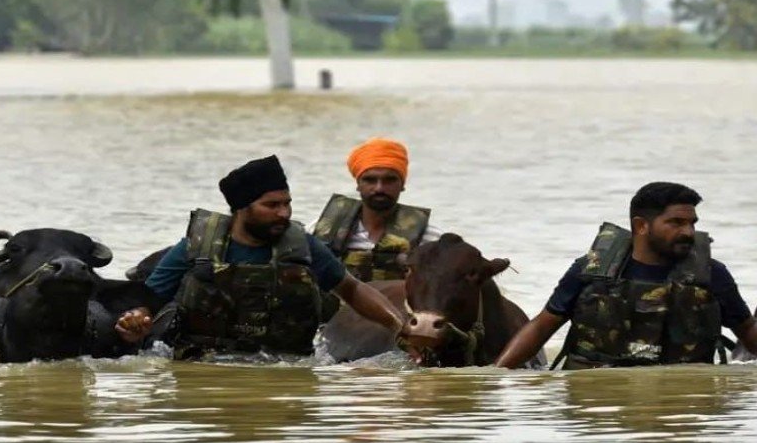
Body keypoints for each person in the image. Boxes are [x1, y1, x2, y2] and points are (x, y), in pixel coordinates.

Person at [114, 155, 405, 357]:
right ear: (242, 208)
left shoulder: (302, 245)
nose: (284, 213)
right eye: (272, 205)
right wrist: (136, 320)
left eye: (287, 203)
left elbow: (352, 289)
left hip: (287, 362)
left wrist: (398, 326)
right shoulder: (197, 245)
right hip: (204, 363)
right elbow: (147, 298)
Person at [495, 181, 757, 369]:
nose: (688, 232)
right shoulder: (591, 270)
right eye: (676, 223)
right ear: (641, 226)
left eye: (692, 223)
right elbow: (542, 325)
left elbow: (748, 332)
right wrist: (496, 376)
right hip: (600, 401)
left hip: (681, 403)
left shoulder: (712, 274)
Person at [311, 137, 441, 281]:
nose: (379, 188)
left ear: (402, 185)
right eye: (370, 180)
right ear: (358, 184)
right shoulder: (319, 231)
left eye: (389, 180)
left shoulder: (431, 240)